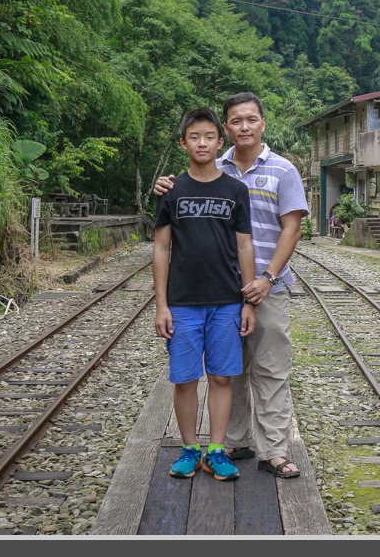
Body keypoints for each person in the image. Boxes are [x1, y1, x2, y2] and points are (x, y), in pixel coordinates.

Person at [155, 92, 307, 478]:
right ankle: (233, 440)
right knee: (230, 371)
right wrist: (162, 186)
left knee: (270, 369)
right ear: (226, 130)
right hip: (219, 291)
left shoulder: (282, 170)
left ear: (262, 124)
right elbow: (167, 234)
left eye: (251, 119)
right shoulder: (209, 168)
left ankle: (273, 450)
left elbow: (292, 227)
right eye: (236, 121)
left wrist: (266, 279)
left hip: (266, 286)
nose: (244, 126)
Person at [153, 107, 256, 481]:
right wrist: (161, 305)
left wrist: (247, 301)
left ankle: (216, 450)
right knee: (184, 378)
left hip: (227, 301)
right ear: (184, 143)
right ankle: (188, 448)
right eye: (194, 137)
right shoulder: (171, 190)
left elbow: (245, 247)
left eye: (209, 136)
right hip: (182, 303)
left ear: (220, 141)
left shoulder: (235, 190)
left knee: (221, 377)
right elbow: (161, 249)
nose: (202, 143)